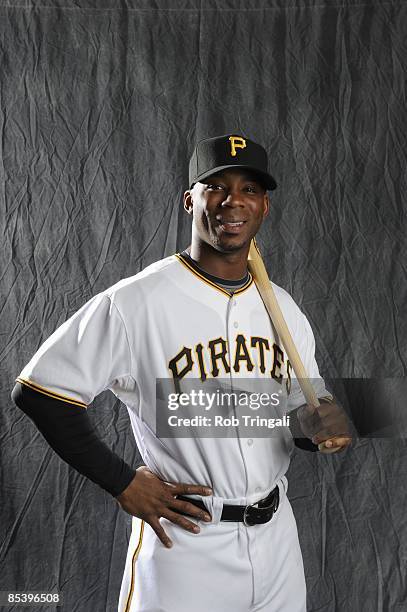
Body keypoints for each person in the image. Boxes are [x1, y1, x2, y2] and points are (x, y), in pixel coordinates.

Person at [12, 134, 351, 612]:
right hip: (186, 545)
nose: (234, 201)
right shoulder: (136, 302)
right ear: (191, 200)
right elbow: (40, 391)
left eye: (250, 189)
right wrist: (122, 481)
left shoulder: (286, 311)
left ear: (264, 207)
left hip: (277, 542)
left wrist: (320, 426)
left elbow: (295, 417)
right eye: (217, 187)